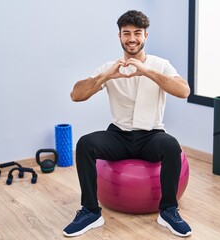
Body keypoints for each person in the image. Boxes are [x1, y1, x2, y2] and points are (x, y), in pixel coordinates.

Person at [63, 10, 192, 238]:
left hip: (152, 135)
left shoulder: (160, 65)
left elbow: (184, 91)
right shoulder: (110, 67)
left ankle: (169, 210)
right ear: (119, 36)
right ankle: (91, 211)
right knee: (85, 144)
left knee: (171, 145)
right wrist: (106, 77)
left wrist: (147, 72)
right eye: (126, 33)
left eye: (137, 33)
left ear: (146, 36)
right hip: (119, 136)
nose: (132, 38)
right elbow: (76, 95)